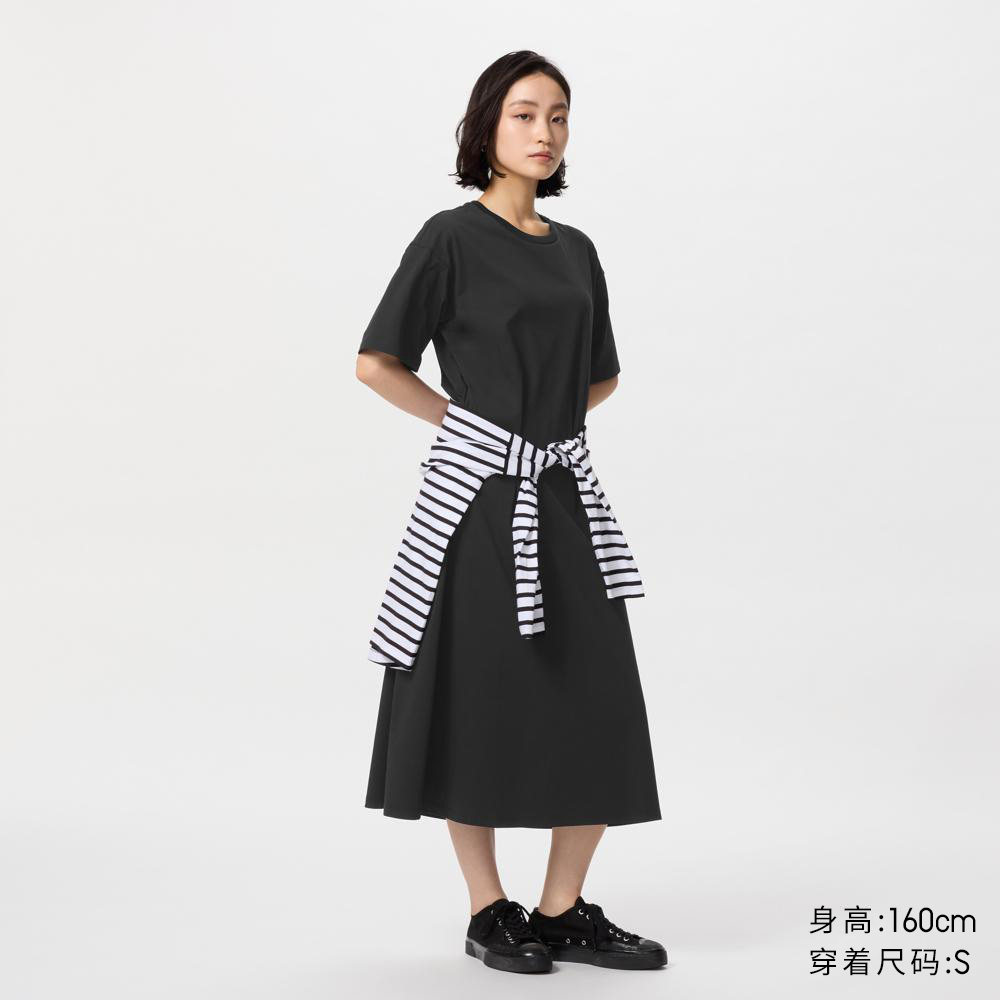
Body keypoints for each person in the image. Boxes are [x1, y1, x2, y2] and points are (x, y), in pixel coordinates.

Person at [355, 50, 666, 975]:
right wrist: (474, 429)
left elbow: (601, 376)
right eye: (525, 114)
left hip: (563, 494)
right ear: (486, 126)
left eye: (558, 116)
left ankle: (562, 908)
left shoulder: (577, 250)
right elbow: (377, 361)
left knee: (598, 692)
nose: (545, 132)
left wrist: (545, 436)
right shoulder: (450, 238)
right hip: (479, 506)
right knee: (480, 694)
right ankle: (489, 908)